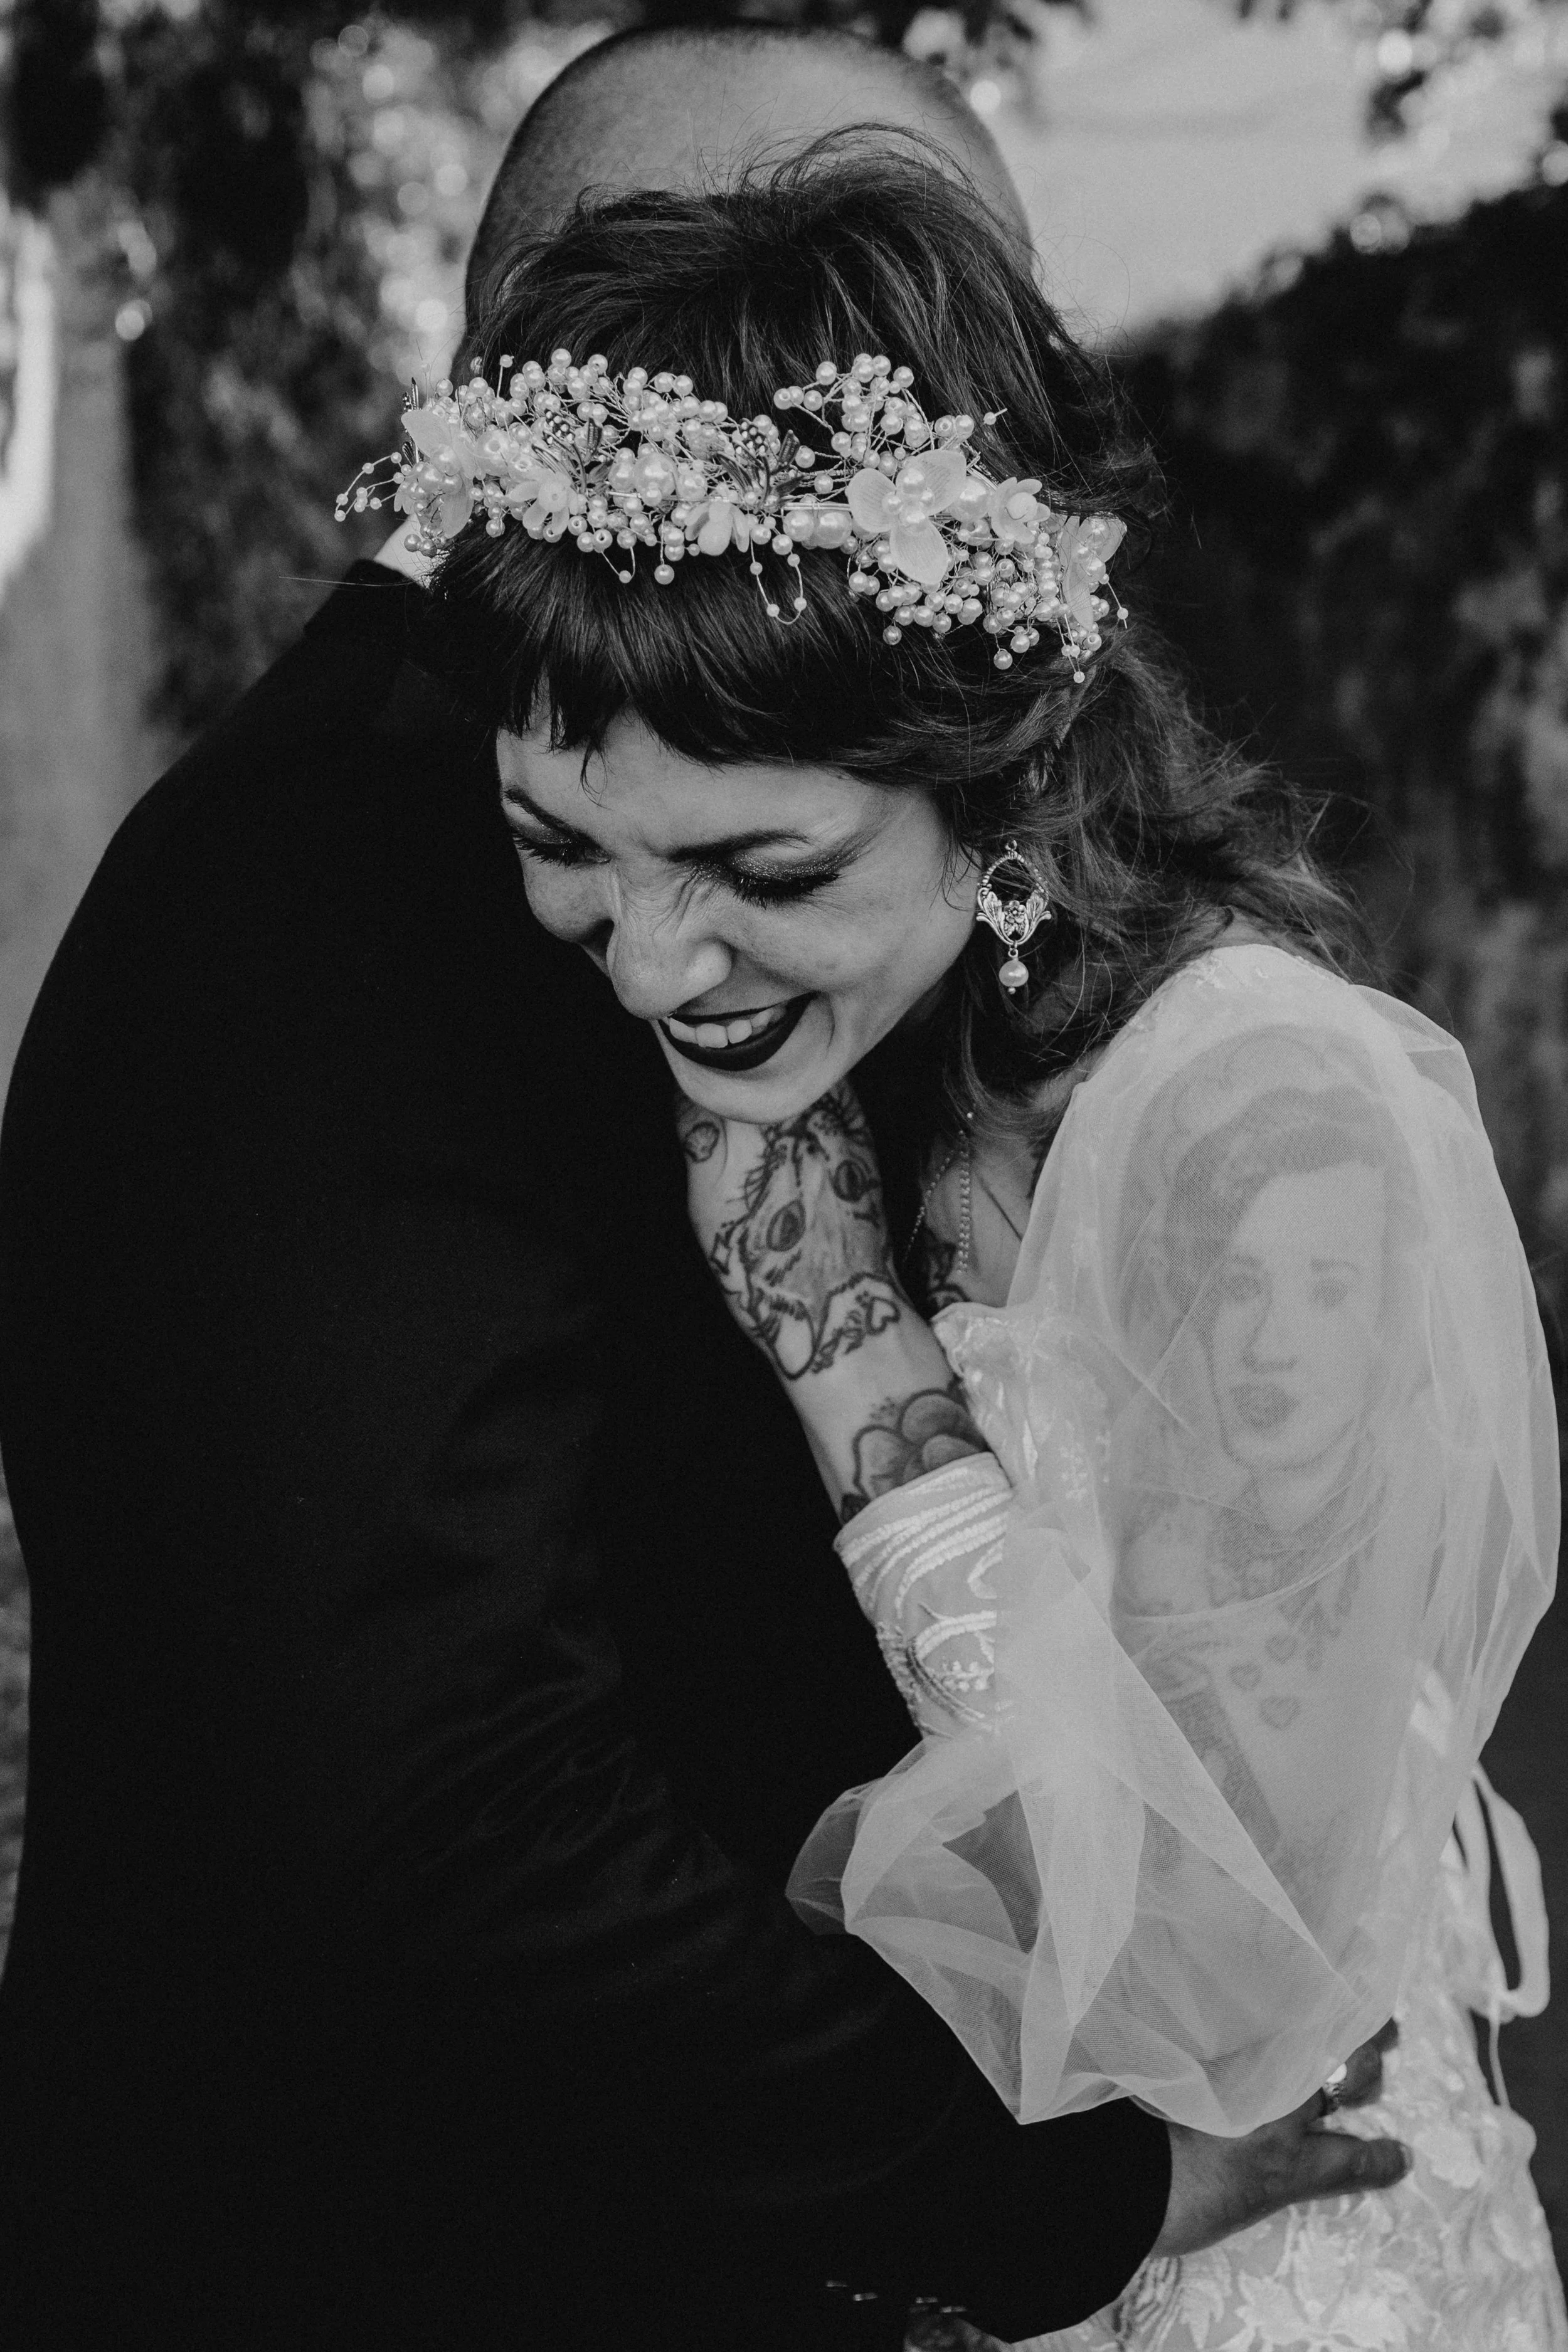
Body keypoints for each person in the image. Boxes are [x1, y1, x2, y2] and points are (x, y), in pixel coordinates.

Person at [0, 31, 1406, 2352]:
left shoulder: (1113, 1006)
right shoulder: (341, 891)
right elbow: (443, 1811)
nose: (653, 943)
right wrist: (1033, 2197)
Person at [415, 143, 1567, 2348]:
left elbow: (1222, 1965)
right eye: (558, 844)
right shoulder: (876, 1021)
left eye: (756, 862)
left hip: (1263, 2248)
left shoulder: (1256, 1111)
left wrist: (857, 1370)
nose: (654, 962)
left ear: (1008, 783)